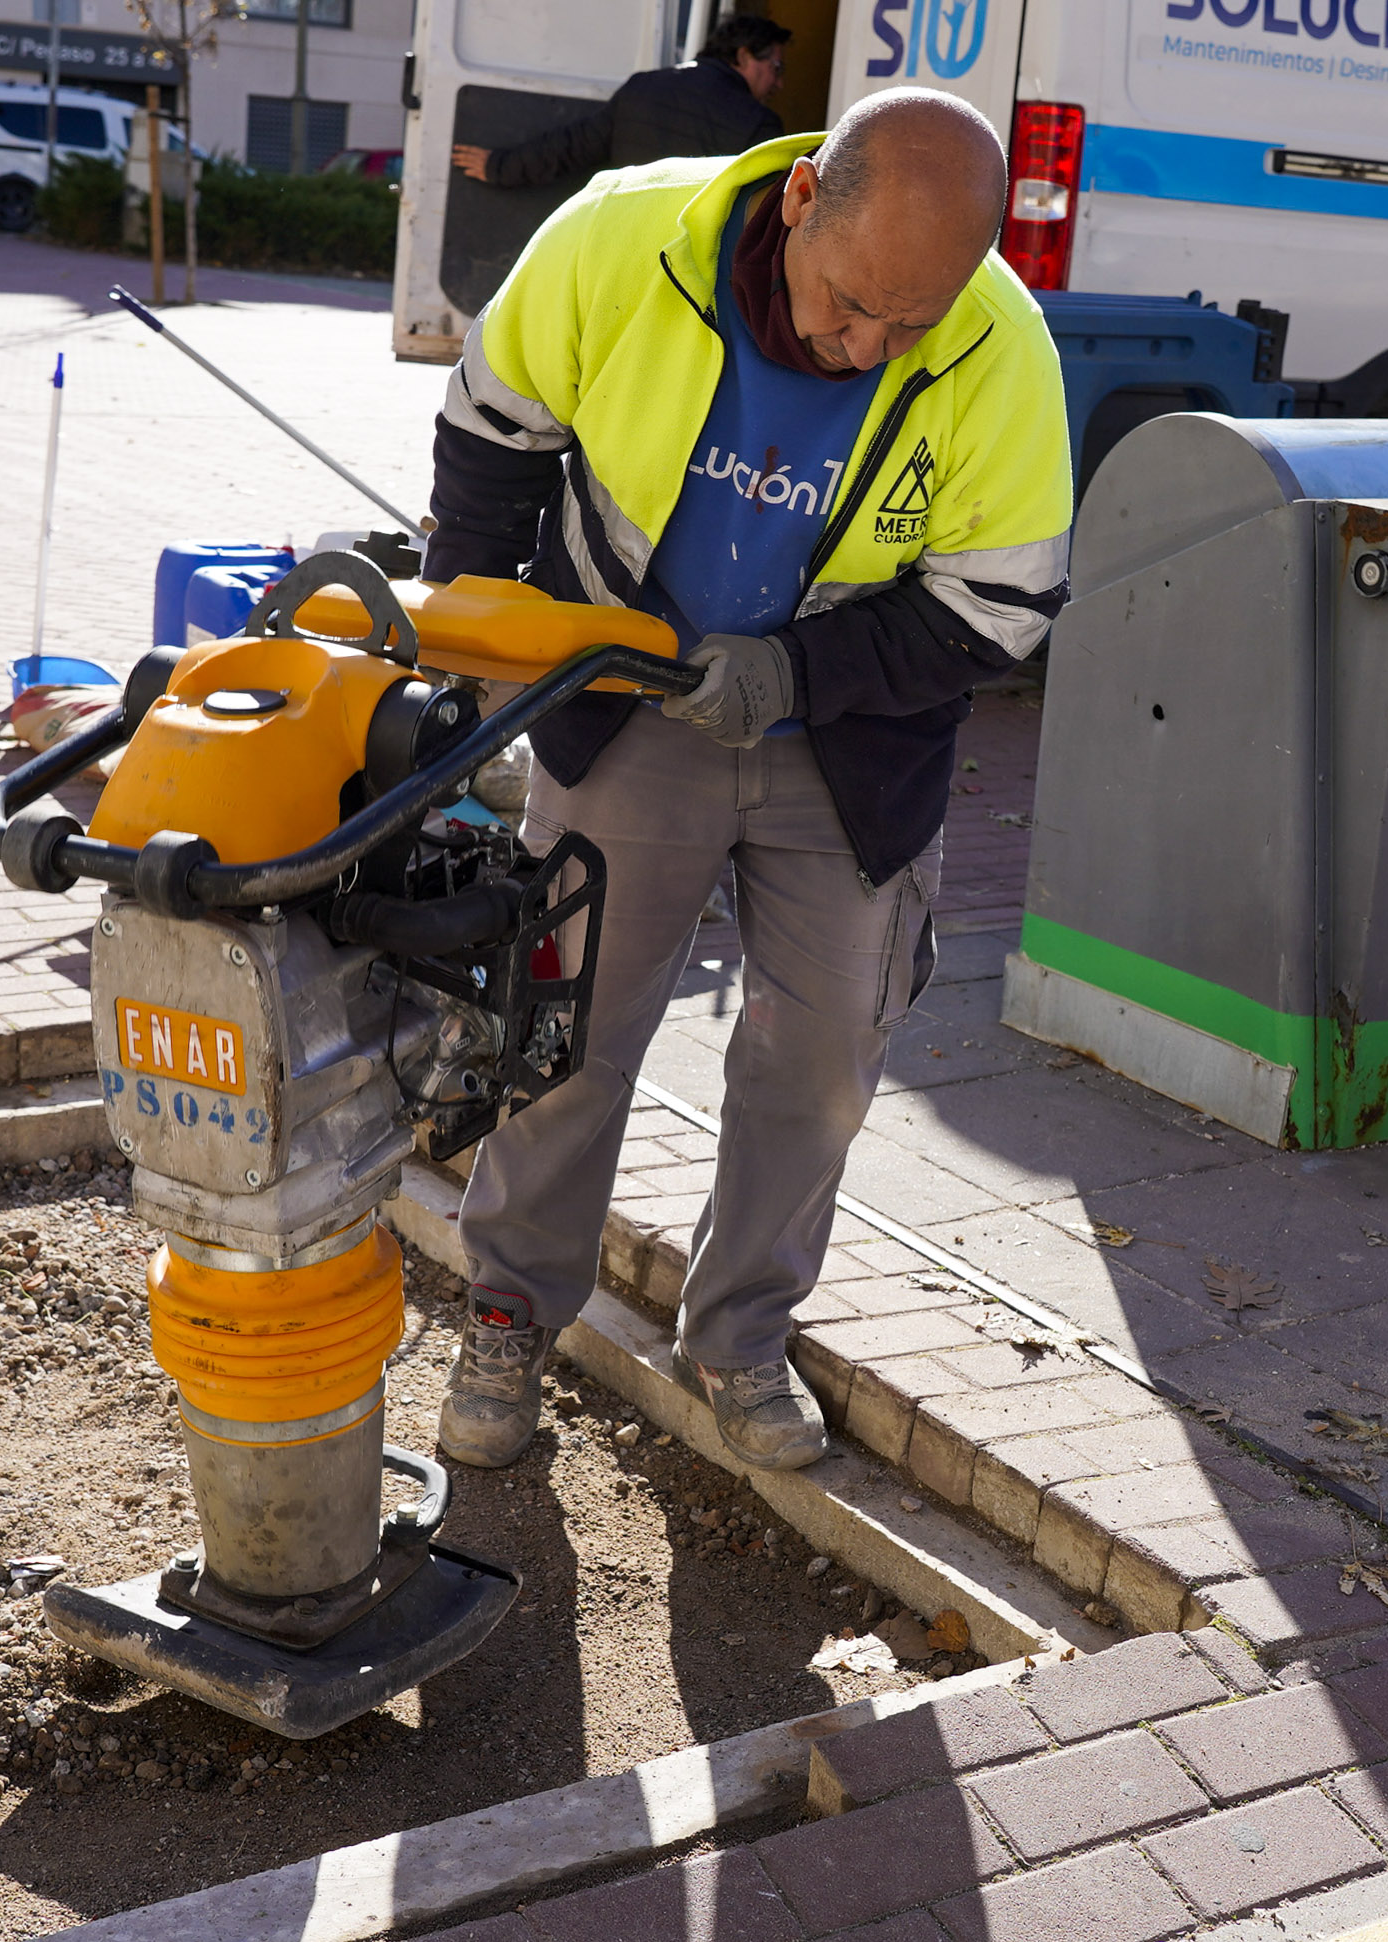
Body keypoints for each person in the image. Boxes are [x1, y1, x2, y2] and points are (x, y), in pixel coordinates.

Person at [419, 90, 1073, 1473]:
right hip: (621, 709)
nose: (870, 346)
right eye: (852, 306)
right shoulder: (620, 238)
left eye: (909, 323)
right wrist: (479, 646)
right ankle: (508, 1310)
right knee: (564, 1035)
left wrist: (795, 674)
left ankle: (739, 1336)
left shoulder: (998, 343)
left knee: (820, 1058)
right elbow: (489, 442)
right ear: (799, 203)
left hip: (849, 748)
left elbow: (1003, 607)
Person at [448, 14, 790, 192]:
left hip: (623, 254)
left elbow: (572, 146)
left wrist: (499, 166)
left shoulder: (643, 87)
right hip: (692, 272)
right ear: (744, 56)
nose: (779, 83)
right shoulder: (759, 123)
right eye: (776, 68)